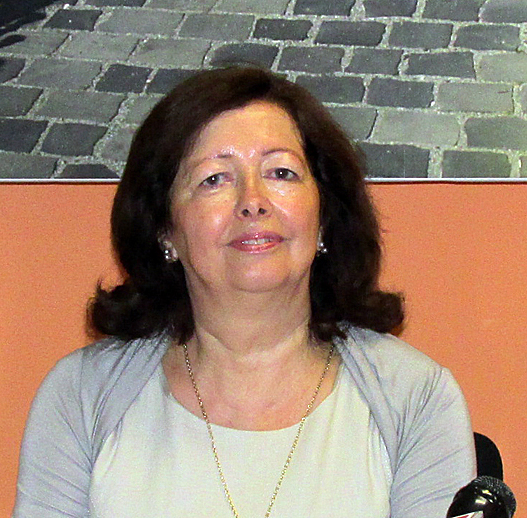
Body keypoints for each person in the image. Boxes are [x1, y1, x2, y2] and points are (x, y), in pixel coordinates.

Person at [13, 66, 475, 518]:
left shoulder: (415, 398)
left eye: (281, 173)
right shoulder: (82, 395)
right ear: (165, 230)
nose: (253, 201)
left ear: (324, 218)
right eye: (214, 179)